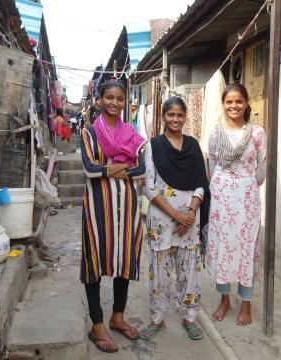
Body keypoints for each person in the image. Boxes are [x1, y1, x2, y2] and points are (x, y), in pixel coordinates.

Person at [80, 80, 146, 353]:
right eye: (109, 97)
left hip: (127, 205)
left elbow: (141, 170)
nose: (115, 103)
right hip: (98, 206)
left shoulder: (131, 132)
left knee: (124, 259)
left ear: (125, 101)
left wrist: (109, 166)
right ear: (99, 100)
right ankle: (97, 324)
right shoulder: (89, 133)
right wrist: (122, 166)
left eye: (120, 98)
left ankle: (117, 316)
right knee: (94, 259)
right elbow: (89, 170)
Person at [139, 97, 210, 341]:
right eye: (171, 115)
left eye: (180, 115)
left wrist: (189, 214)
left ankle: (189, 317)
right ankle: (157, 319)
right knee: (158, 271)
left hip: (190, 219)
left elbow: (201, 182)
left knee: (189, 269)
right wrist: (176, 214)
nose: (176, 119)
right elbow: (148, 187)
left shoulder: (193, 146)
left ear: (185, 116)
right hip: (162, 219)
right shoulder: (153, 146)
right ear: (164, 117)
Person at [206, 83, 266, 326]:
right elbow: (212, 165)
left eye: (238, 101)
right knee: (223, 245)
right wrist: (223, 187)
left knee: (246, 247)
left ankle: (246, 303)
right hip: (221, 197)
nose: (234, 106)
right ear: (224, 105)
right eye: (229, 102)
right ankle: (224, 299)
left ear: (246, 103)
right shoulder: (215, 133)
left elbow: (261, 168)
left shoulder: (258, 133)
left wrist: (245, 184)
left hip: (246, 198)